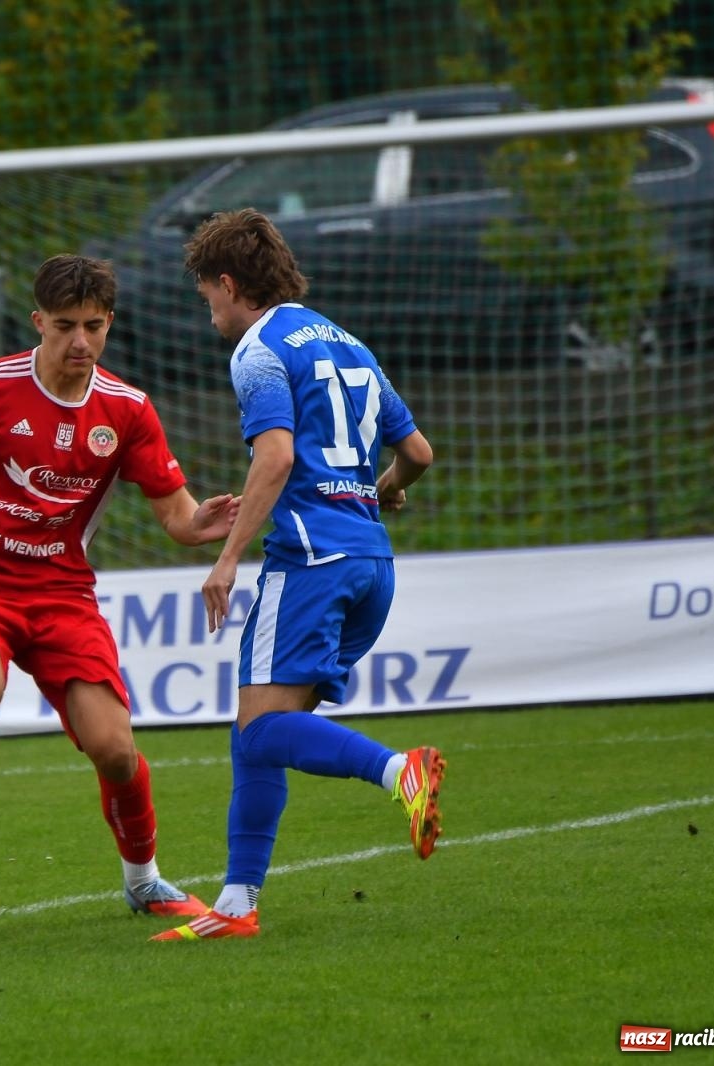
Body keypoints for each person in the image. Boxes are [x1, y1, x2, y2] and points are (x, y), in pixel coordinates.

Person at [0, 253, 239, 943]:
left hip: (63, 595)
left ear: (109, 324)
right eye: (65, 326)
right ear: (38, 321)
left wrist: (200, 526)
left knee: (116, 751)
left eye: (94, 327)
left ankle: (144, 881)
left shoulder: (126, 410)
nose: (80, 342)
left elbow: (175, 512)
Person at [152, 208, 442, 943]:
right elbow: (419, 453)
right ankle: (238, 904)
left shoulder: (258, 349)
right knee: (257, 732)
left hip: (309, 563)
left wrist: (225, 559)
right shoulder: (346, 342)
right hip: (371, 563)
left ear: (227, 282)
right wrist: (375, 490)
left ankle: (397, 771)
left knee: (263, 732)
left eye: (206, 294)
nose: (208, 309)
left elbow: (275, 458)